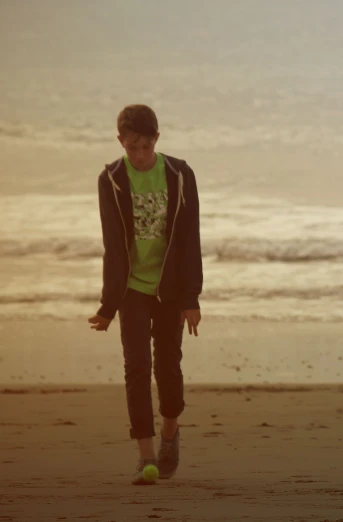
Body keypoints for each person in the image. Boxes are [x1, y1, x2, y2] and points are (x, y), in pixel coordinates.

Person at [87, 104, 203, 485]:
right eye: (132, 147)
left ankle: (170, 434)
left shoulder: (179, 174)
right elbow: (113, 246)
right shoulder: (112, 179)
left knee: (168, 365)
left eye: (146, 146)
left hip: (169, 289)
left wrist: (191, 298)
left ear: (157, 139)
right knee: (136, 368)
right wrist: (108, 305)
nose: (139, 155)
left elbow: (189, 239)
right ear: (120, 141)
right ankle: (146, 457)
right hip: (132, 290)